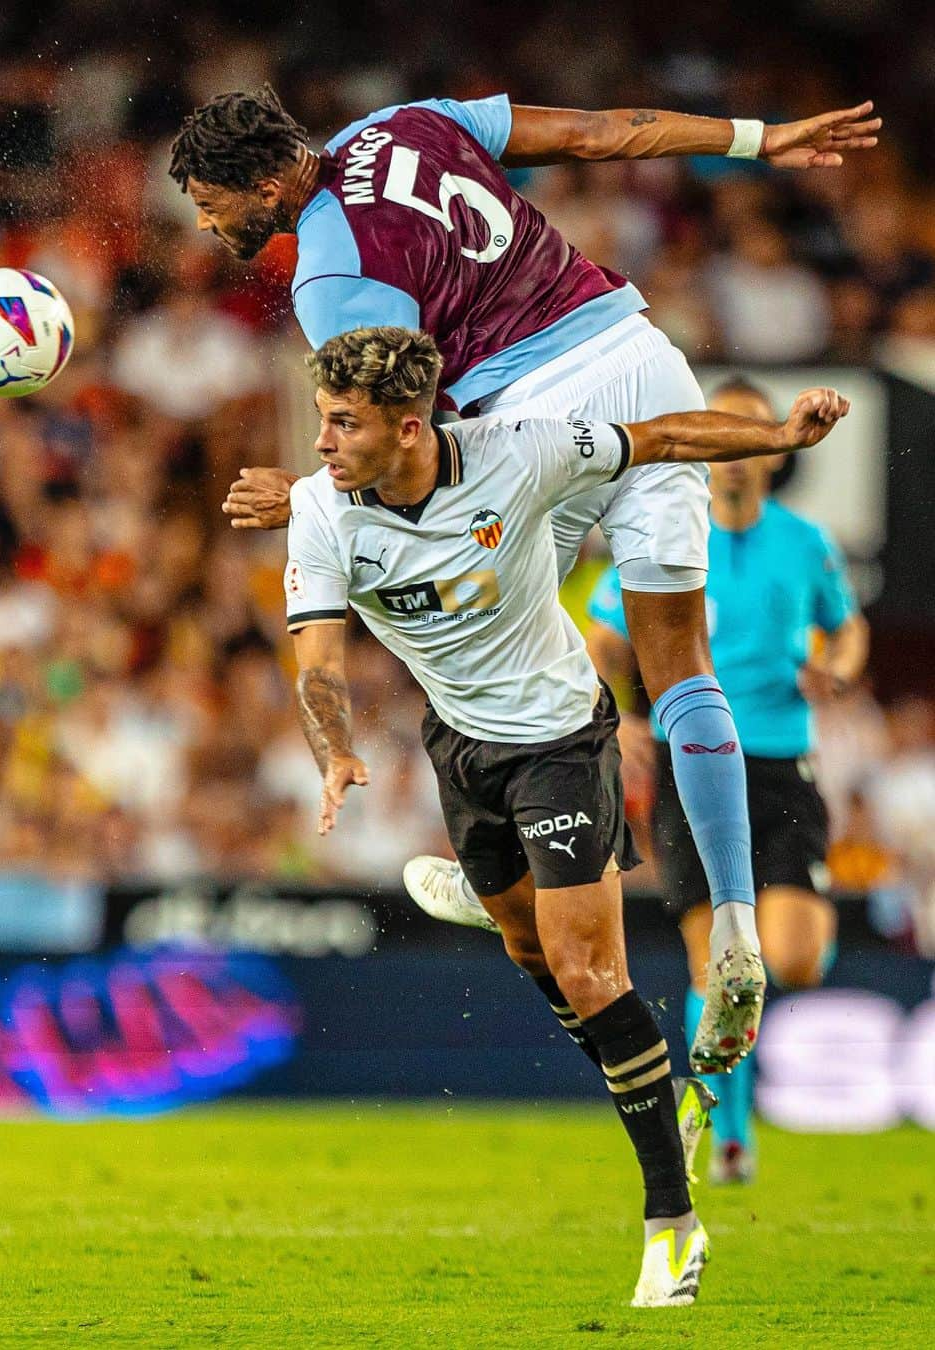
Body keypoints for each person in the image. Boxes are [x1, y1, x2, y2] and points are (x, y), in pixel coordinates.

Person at [170, 83, 879, 1069]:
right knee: (680, 665)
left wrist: (306, 497)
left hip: (532, 417)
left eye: (212, 202)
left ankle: (502, 865)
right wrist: (761, 133)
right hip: (642, 354)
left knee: (470, 643)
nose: (207, 223)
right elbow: (600, 131)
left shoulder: (332, 279)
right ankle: (733, 924)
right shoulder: (410, 122)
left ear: (265, 179)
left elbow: (395, 429)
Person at [282, 325, 850, 1304]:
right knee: (536, 956)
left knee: (591, 973)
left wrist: (780, 441)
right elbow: (320, 661)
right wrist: (334, 751)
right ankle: (616, 1031)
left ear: (411, 427)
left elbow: (662, 437)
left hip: (560, 739)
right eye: (323, 420)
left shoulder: (526, 450)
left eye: (342, 423)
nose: (322, 441)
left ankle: (672, 1223)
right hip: (459, 748)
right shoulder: (319, 510)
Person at [583, 377, 869, 1181]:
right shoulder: (669, 539)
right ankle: (728, 1133)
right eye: (724, 437)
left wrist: (838, 674)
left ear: (771, 453)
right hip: (692, 762)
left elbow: (848, 633)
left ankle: (725, 1103)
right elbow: (605, 636)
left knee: (792, 959)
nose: (735, 456)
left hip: (780, 759)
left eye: (751, 437)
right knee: (713, 962)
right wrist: (626, 715)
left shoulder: (806, 544)